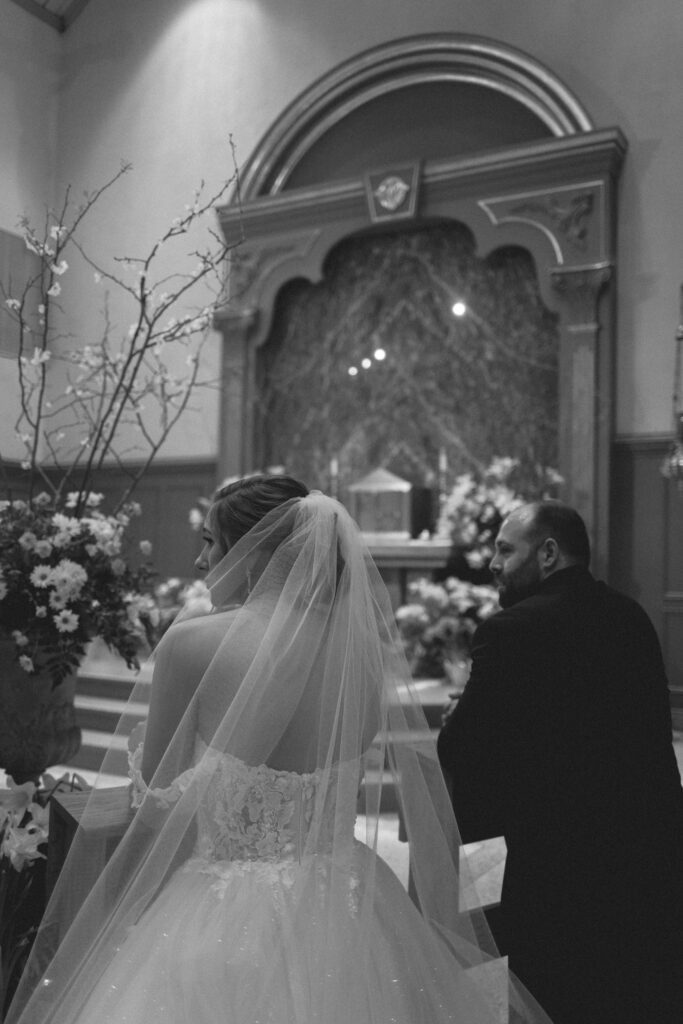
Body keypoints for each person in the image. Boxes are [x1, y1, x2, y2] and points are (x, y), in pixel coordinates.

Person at [9, 476, 551, 1024]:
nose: (200, 562)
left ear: (254, 554)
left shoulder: (193, 644)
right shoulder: (359, 653)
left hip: (223, 915)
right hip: (351, 907)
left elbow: (152, 810)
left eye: (210, 542)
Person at [437, 500, 683, 1024]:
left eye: (506, 550)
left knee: (536, 994)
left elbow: (464, 748)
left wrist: (455, 719)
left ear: (548, 552)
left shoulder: (509, 630)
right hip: (634, 849)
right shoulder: (630, 615)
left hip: (537, 865)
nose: (494, 563)